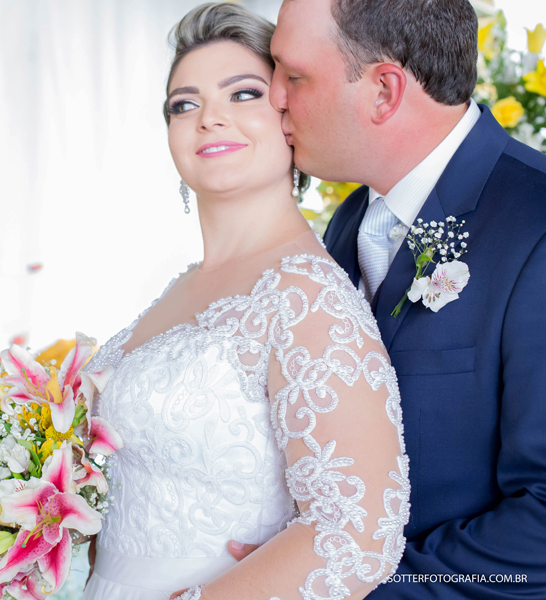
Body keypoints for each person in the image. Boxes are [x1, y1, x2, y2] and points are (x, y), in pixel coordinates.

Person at [81, 4, 409, 599]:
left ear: (288, 116)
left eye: (242, 94)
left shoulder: (307, 296)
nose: (209, 118)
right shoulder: (176, 288)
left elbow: (358, 532)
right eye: (184, 104)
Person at [226, 0, 546, 597]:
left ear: (384, 91)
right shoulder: (349, 223)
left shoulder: (538, 230)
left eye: (293, 75)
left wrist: (342, 584)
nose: (273, 97)